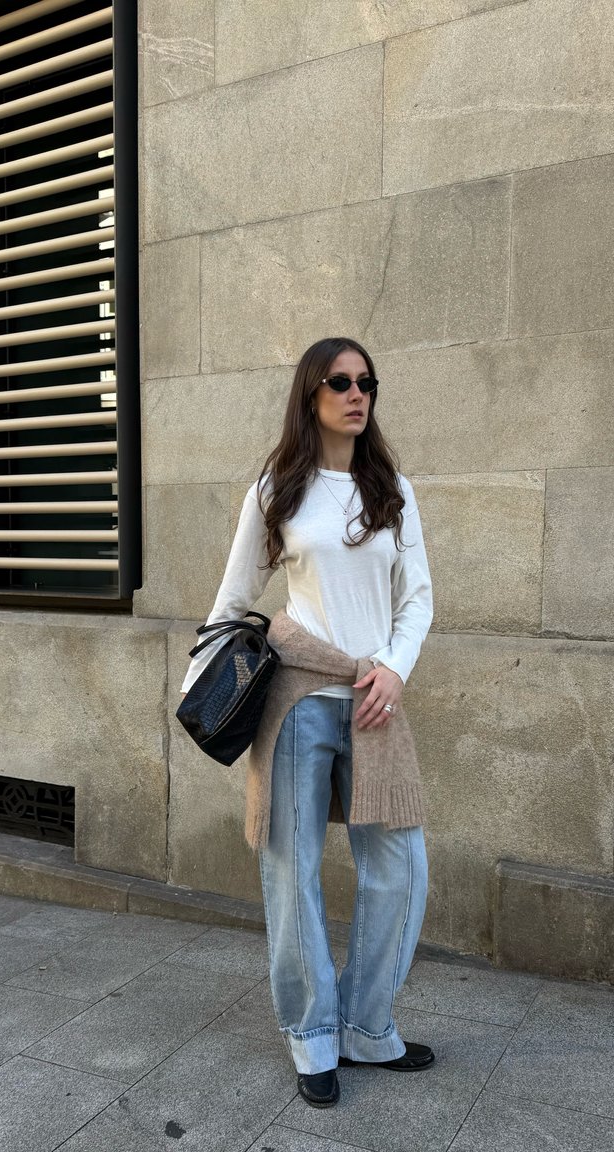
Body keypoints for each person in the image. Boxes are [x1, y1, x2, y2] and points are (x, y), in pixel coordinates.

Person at [181, 336, 433, 1108]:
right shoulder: (278, 488)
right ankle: (313, 1033)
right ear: (311, 394)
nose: (358, 394)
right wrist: (201, 689)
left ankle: (365, 1021)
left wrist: (393, 666)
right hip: (296, 695)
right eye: (341, 382)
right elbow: (232, 599)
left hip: (373, 696)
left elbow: (417, 595)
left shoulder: (391, 486)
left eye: (368, 383)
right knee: (290, 869)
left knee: (401, 864)